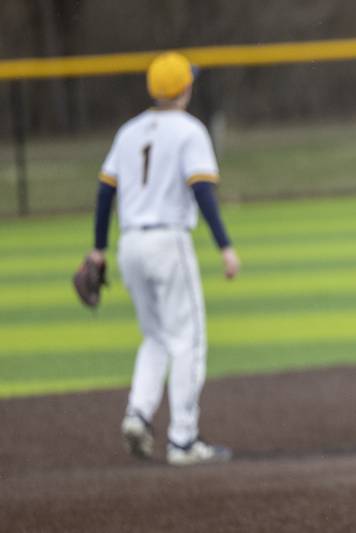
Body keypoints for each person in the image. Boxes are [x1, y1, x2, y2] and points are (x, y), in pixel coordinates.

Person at [88, 51, 240, 466]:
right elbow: (202, 191)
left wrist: (98, 248)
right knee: (188, 340)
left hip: (129, 244)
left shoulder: (129, 131)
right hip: (169, 242)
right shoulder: (190, 131)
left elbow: (105, 193)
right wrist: (225, 246)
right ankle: (183, 440)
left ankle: (139, 413)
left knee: (155, 336)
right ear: (185, 88)